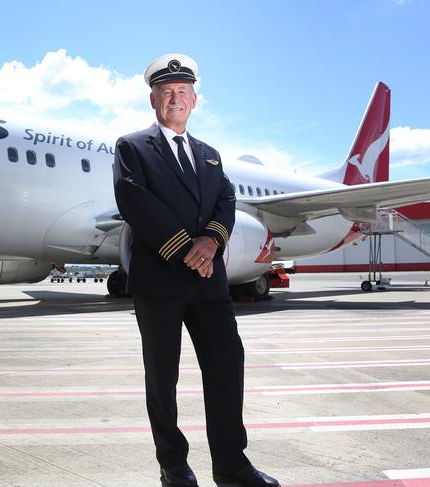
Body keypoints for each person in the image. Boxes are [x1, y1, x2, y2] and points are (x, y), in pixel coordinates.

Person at [113, 53, 281, 487]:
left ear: (195, 100)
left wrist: (212, 242)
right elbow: (133, 200)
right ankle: (173, 463)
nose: (175, 100)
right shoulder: (133, 148)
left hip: (209, 282)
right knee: (163, 376)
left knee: (227, 366)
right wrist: (186, 248)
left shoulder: (209, 155)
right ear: (153, 99)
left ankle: (231, 463)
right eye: (167, 93)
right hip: (161, 280)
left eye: (183, 93)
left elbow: (226, 202)